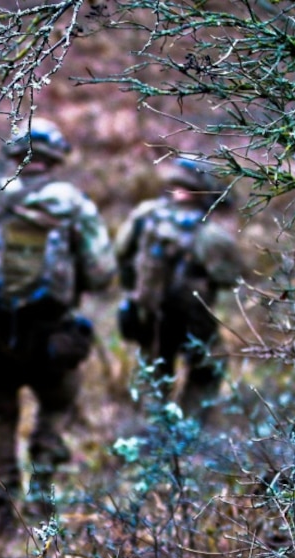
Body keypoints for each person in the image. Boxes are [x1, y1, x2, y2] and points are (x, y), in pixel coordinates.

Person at [0, 118, 114, 537]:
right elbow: (101, 273)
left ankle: (4, 514)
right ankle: (42, 496)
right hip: (54, 334)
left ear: (14, 154)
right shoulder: (75, 205)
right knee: (56, 410)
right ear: (55, 157)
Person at [114, 155, 242, 421]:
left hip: (148, 314)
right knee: (209, 368)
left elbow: (119, 252)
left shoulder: (145, 215)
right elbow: (229, 277)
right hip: (192, 320)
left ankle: (151, 435)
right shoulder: (211, 235)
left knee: (153, 373)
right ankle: (189, 432)